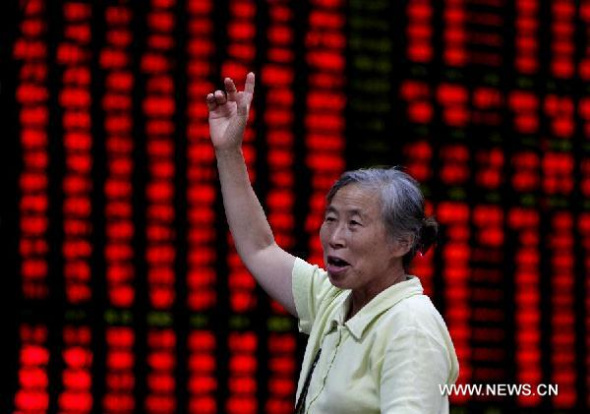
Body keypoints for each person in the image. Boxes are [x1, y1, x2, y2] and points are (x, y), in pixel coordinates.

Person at [206, 73, 459, 413]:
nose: (335, 238)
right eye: (330, 219)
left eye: (354, 224)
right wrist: (229, 151)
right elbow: (259, 247)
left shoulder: (410, 327)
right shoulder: (334, 299)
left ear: (402, 242)